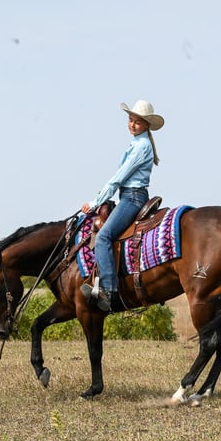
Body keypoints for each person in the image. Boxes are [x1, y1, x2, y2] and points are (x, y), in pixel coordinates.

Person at [80, 99, 165, 311]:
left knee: (104, 237)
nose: (132, 125)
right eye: (130, 120)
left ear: (146, 125)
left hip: (132, 198)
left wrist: (95, 202)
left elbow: (119, 177)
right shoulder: (138, 143)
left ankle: (108, 291)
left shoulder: (142, 146)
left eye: (137, 122)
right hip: (128, 196)